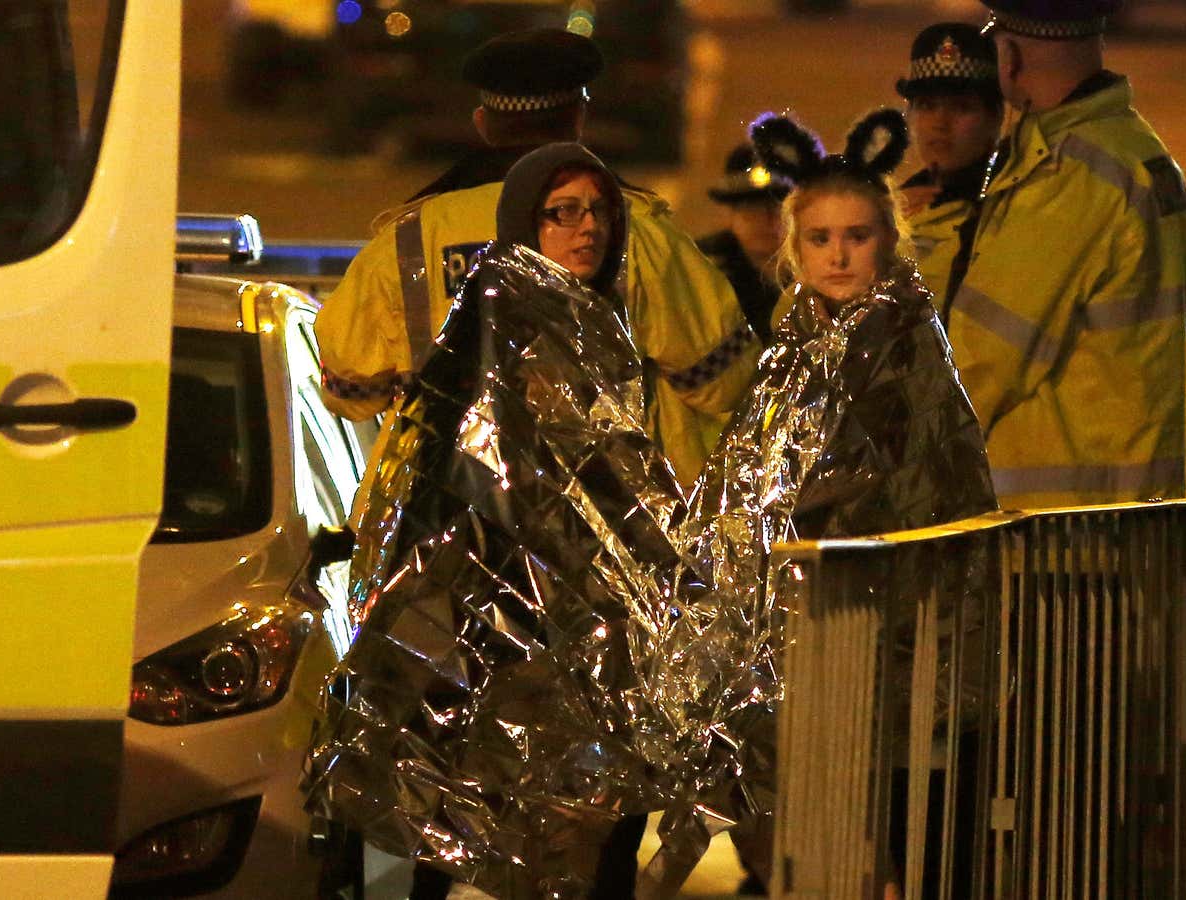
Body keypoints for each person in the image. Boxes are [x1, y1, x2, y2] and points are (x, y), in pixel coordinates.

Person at [309, 143, 698, 900]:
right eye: (564, 214)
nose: (587, 230)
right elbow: (460, 461)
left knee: (601, 802)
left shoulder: (607, 319)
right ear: (526, 220)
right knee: (437, 800)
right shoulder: (492, 315)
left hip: (589, 606)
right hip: (482, 601)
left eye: (600, 213)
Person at [642, 110, 998, 897]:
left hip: (897, 632)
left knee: (899, 835)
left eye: (858, 235)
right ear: (793, 248)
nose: (838, 254)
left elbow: (905, 484)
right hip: (812, 633)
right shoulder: (796, 340)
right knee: (821, 839)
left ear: (890, 238)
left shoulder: (901, 337)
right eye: (820, 238)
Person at [315, 28, 757, 487]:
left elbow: (350, 390)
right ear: (579, 117)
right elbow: (723, 381)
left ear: (483, 123)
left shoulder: (408, 241)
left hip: (447, 512)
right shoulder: (634, 230)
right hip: (611, 519)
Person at [946, 0, 1186, 509]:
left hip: (1060, 534)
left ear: (1009, 58)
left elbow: (979, 363)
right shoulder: (1132, 148)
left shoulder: (1069, 176)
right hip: (1120, 517)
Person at [894, 23, 1004, 307]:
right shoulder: (896, 205)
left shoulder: (1010, 209)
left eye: (961, 107)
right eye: (928, 106)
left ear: (995, 118)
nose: (940, 124)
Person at [697, 144, 792, 345]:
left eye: (779, 208)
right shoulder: (703, 271)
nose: (768, 220)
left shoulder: (816, 272)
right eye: (752, 209)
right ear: (729, 215)